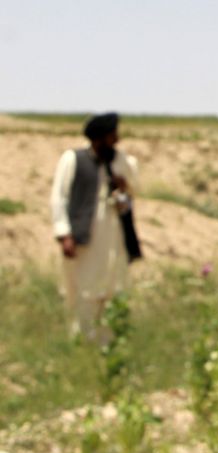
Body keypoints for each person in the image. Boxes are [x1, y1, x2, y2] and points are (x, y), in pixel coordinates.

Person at [50, 112, 141, 341]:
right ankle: (81, 341)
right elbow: (59, 197)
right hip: (85, 239)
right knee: (84, 290)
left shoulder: (121, 161)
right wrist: (64, 233)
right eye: (112, 135)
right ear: (99, 138)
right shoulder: (73, 159)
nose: (116, 140)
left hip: (114, 236)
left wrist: (124, 185)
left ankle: (108, 343)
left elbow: (134, 190)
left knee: (113, 288)